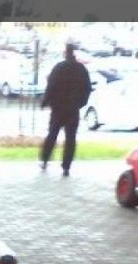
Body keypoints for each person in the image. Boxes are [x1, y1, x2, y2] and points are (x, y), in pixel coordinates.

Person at [40, 43, 92, 177]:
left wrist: (45, 102)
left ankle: (45, 160)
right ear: (74, 54)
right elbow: (87, 88)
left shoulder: (59, 68)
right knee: (70, 138)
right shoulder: (81, 69)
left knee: (52, 134)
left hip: (57, 108)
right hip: (73, 109)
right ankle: (66, 167)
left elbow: (51, 86)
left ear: (65, 54)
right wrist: (80, 103)